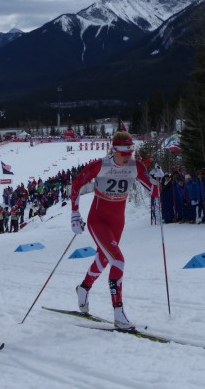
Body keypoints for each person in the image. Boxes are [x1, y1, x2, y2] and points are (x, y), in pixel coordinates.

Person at [70, 131, 153, 329]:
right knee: (118, 261)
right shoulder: (101, 165)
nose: (128, 158)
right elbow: (76, 184)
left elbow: (154, 190)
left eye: (131, 153)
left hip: (118, 222)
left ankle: (84, 288)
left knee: (104, 258)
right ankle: (118, 314)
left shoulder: (135, 166)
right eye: (124, 154)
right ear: (114, 150)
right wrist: (75, 214)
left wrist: (159, 180)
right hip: (98, 220)